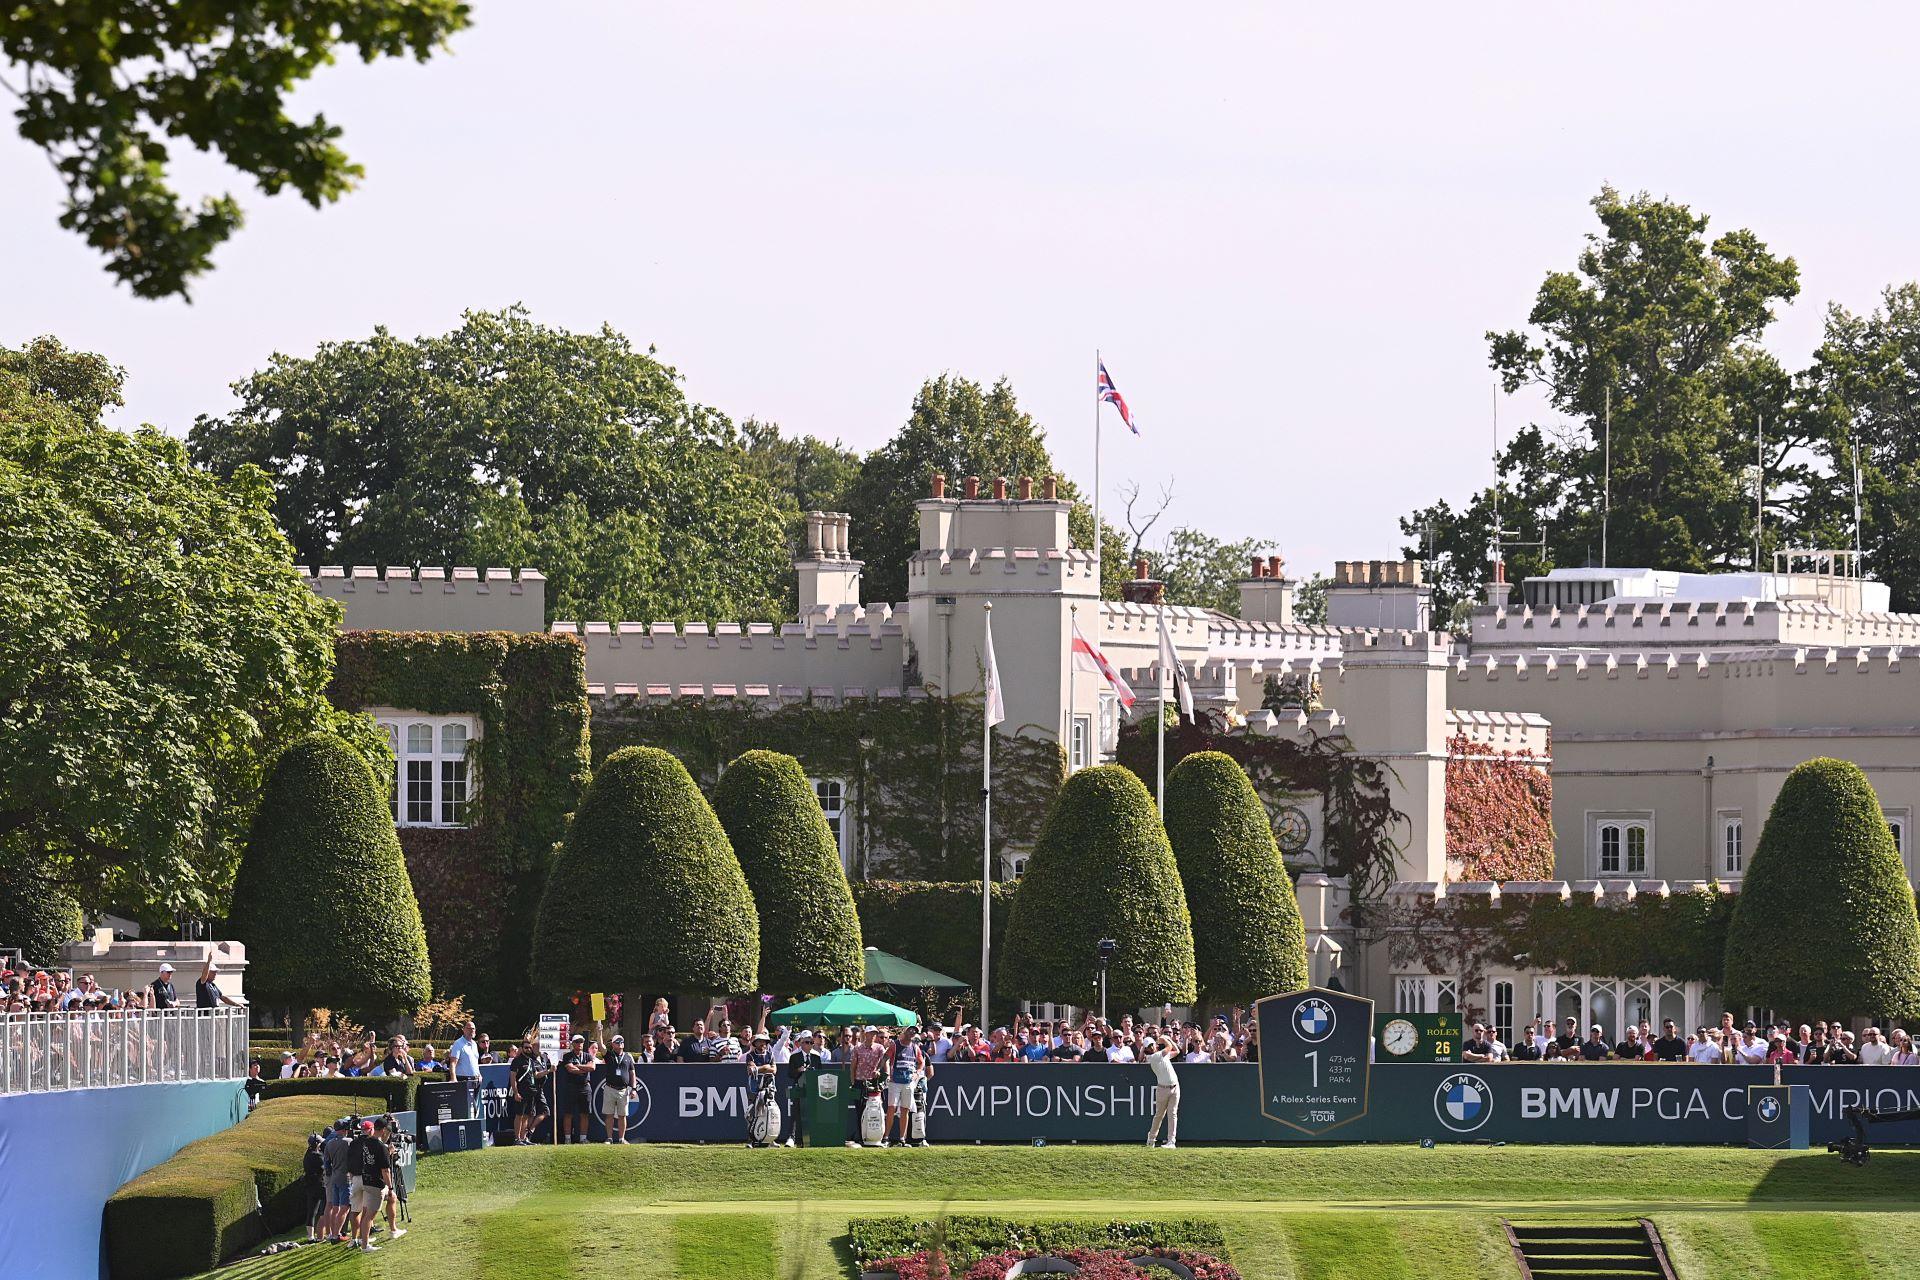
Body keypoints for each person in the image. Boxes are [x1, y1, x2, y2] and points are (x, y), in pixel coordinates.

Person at [348, 1118, 394, 1253]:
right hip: (373, 1182)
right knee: (369, 1215)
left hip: (363, 1179)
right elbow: (385, 1169)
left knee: (362, 1212)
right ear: (383, 1130)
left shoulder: (363, 1142)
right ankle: (364, 1244)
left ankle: (360, 1240)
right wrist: (390, 1187)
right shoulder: (379, 1146)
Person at [883, 1026, 928, 1146]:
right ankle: (886, 1137)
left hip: (908, 1083)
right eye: (910, 1030)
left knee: (905, 1110)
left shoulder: (915, 1047)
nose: (912, 1032)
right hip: (895, 1082)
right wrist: (878, 1070)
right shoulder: (895, 1045)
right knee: (891, 1108)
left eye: (915, 1031)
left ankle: (902, 1139)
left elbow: (921, 1062)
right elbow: (885, 1057)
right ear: (905, 1031)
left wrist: (917, 1073)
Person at [1144, 1036, 1179, 1149]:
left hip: (1175, 1087)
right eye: (1149, 1046)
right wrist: (1165, 1039)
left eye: (1152, 1044)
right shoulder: (1153, 1057)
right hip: (1162, 1089)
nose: (1151, 1047)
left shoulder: (1163, 1055)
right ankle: (1151, 1139)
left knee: (1172, 1114)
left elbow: (1177, 1051)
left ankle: (1171, 1142)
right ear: (1146, 1049)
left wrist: (1169, 1039)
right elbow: (1169, 1047)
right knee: (1159, 1115)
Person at [321, 1119, 354, 1242]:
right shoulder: (349, 1142)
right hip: (345, 1178)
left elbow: (326, 1163)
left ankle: (333, 1233)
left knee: (335, 1207)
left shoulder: (329, 1144)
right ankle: (336, 1235)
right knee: (345, 1207)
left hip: (334, 1178)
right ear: (344, 1130)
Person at [558, 1034, 594, 1143]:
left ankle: (583, 1138)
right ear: (573, 1044)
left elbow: (592, 1067)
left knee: (585, 1113)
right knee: (568, 1113)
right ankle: (567, 1139)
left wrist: (578, 1066)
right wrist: (584, 1069)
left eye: (581, 1042)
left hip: (585, 1087)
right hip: (571, 1087)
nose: (579, 1044)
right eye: (577, 1042)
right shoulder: (567, 1056)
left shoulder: (588, 1056)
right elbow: (571, 1070)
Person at [602, 1034, 637, 1144]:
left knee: (622, 1115)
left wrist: (634, 1088)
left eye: (621, 1041)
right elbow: (601, 1046)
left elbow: (632, 1073)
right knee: (609, 1115)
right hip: (610, 1088)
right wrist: (599, 1033)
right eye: (617, 1042)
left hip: (623, 1090)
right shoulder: (609, 1055)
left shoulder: (628, 1057)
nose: (620, 1043)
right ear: (612, 1044)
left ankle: (621, 1139)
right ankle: (609, 1138)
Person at [448, 1019, 483, 1112]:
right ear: (464, 1030)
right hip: (464, 1080)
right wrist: (453, 1078)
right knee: (469, 1109)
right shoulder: (458, 1043)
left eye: (473, 1029)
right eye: (469, 1029)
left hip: (476, 1080)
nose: (471, 1031)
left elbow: (475, 1062)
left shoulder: (474, 1044)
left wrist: (479, 1074)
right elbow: (453, 1062)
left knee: (474, 1110)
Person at [302, 1133, 327, 1241]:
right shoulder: (318, 1156)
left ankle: (310, 1236)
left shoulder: (307, 1155)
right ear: (316, 1144)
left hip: (309, 1185)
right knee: (326, 1209)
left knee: (311, 1211)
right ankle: (323, 1233)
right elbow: (325, 1168)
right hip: (320, 1185)